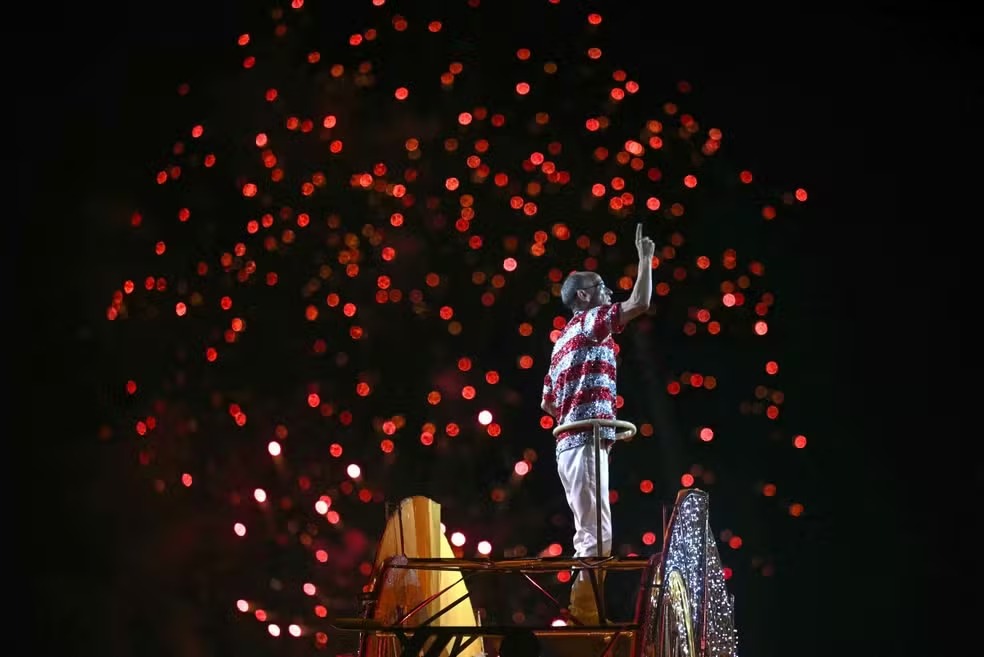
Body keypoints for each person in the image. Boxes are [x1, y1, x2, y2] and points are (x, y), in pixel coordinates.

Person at [540, 222, 655, 625]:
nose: (609, 292)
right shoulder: (589, 324)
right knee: (597, 536)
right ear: (584, 296)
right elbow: (639, 302)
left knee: (590, 533)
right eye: (602, 286)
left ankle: (584, 612)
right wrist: (644, 259)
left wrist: (579, 410)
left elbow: (548, 403)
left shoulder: (560, 342)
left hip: (572, 443)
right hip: (583, 442)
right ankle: (584, 617)